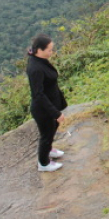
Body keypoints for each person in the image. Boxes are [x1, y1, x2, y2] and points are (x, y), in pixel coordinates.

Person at [26, 34, 68, 173]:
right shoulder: (35, 69)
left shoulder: (40, 60)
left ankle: (49, 150)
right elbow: (38, 95)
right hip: (43, 110)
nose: (52, 52)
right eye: (49, 50)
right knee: (46, 135)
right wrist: (55, 113)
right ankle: (43, 163)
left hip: (51, 104)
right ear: (39, 50)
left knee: (52, 130)